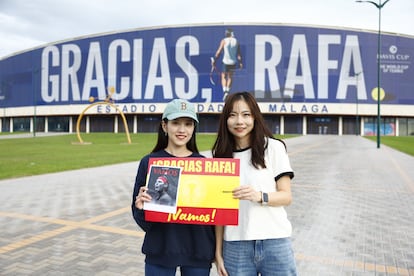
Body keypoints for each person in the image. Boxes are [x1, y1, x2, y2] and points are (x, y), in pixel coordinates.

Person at [212, 92, 297, 276]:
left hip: (275, 242)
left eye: (246, 114)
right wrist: (218, 253)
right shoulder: (221, 156)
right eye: (232, 115)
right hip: (236, 246)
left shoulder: (274, 148)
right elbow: (219, 212)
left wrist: (259, 196)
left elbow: (286, 196)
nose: (239, 121)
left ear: (255, 117)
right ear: (225, 120)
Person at [132, 98, 215, 276]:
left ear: (194, 128)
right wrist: (141, 207)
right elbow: (141, 218)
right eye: (176, 123)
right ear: (164, 126)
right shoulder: (149, 162)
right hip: (161, 248)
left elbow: (213, 214)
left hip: (198, 250)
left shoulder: (204, 165)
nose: (182, 130)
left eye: (188, 124)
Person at [213, 28, 243, 101]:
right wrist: (240, 63)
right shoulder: (236, 41)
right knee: (230, 76)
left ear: (227, 33)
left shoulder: (224, 41)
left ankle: (225, 91)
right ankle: (227, 91)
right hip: (233, 62)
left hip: (225, 62)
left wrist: (214, 60)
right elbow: (239, 55)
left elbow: (219, 51)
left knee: (223, 76)